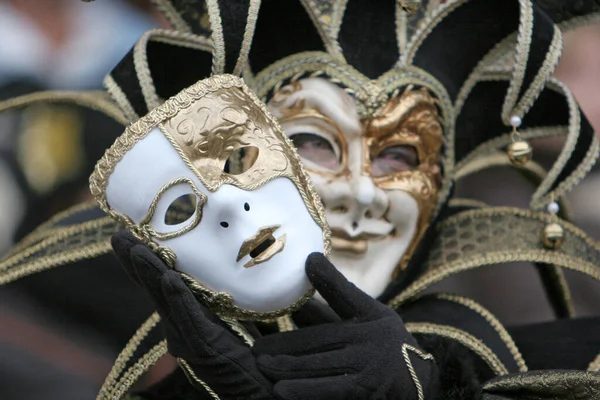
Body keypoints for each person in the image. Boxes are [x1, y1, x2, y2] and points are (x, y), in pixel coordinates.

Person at [2, 0, 600, 399]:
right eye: (314, 143)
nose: (362, 191)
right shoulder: (180, 360)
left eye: (399, 157)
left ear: (443, 187)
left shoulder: (542, 357)